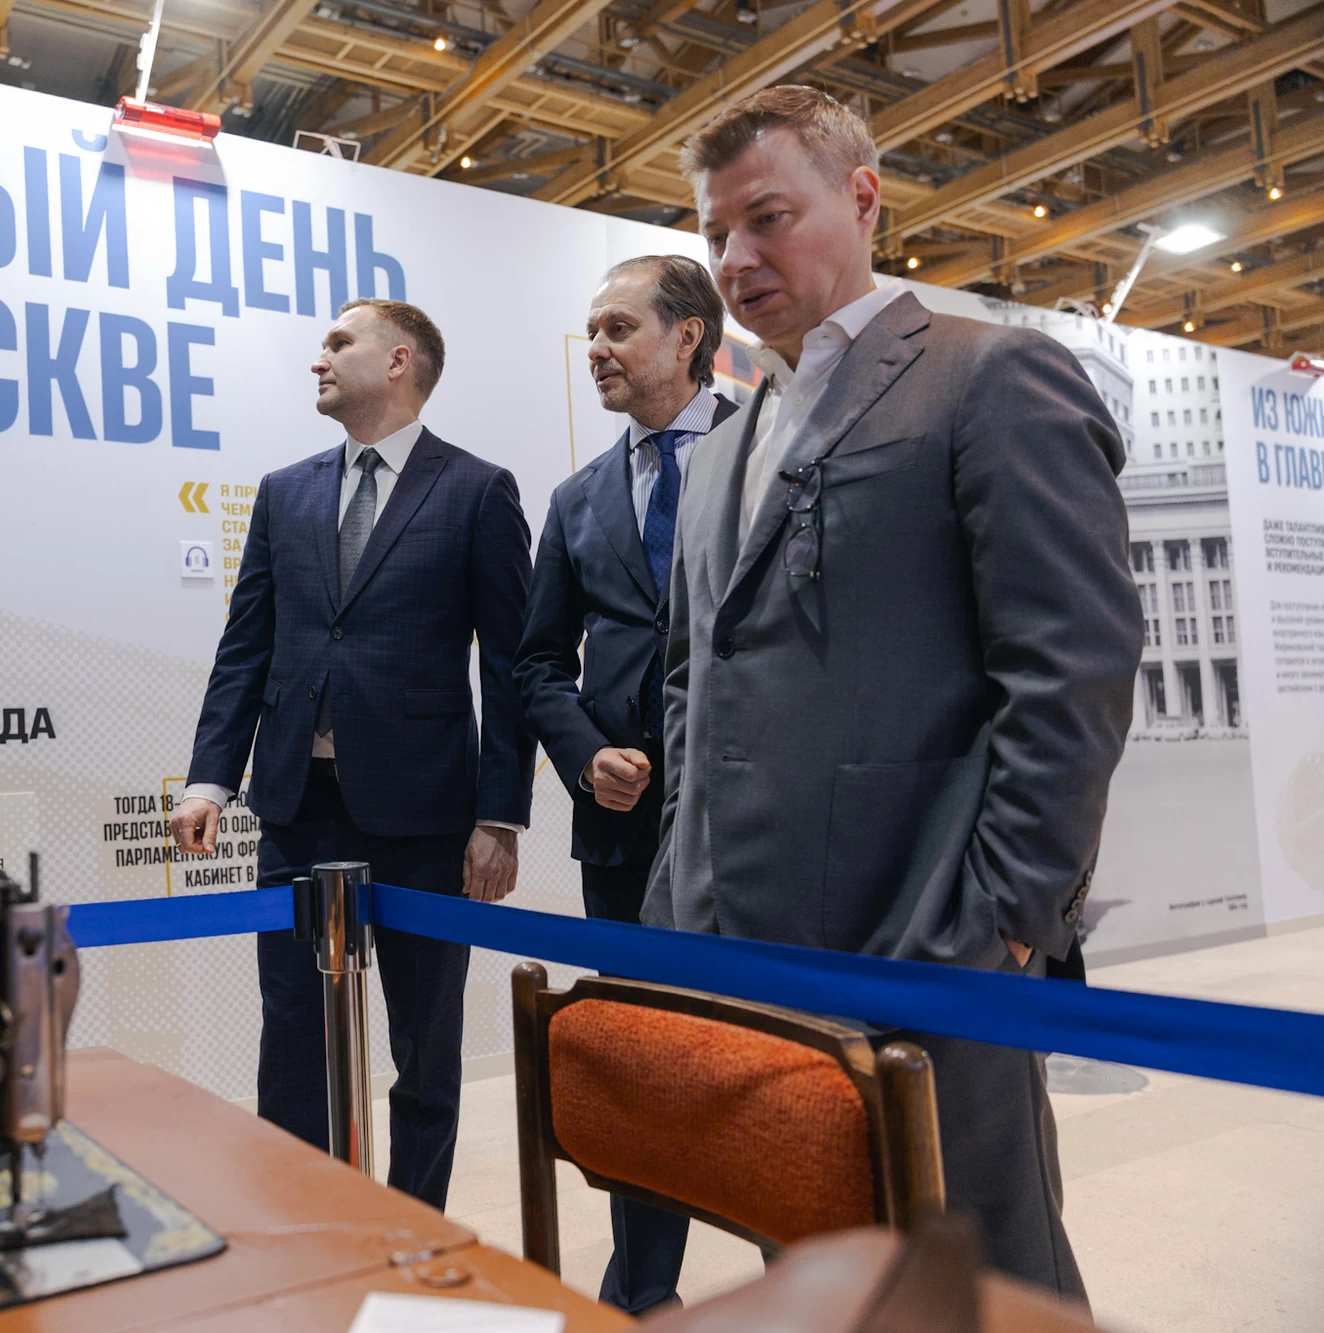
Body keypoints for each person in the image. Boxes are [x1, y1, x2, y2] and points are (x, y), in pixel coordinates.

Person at [644, 86, 1142, 1300]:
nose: (735, 257)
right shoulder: (719, 449)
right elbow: (691, 678)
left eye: (767, 217)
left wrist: (999, 923)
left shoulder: (988, 378)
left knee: (977, 1281)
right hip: (743, 954)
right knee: (813, 1269)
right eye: (715, 233)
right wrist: (684, 886)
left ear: (861, 199)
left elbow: (1069, 670)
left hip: (925, 944)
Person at [168, 298, 535, 1209]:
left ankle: (412, 1229)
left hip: (427, 817)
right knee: (292, 1041)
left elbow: (511, 669)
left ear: (399, 360)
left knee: (425, 1047)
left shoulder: (477, 489)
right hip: (298, 807)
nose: (318, 358)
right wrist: (211, 776)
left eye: (339, 342)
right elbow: (246, 648)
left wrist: (499, 816)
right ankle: (307, 1225)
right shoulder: (284, 491)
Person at [514, 254, 736, 1314]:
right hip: (622, 826)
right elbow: (533, 663)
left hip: (756, 821)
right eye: (591, 331)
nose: (595, 349)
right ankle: (641, 1296)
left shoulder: (774, 447)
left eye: (617, 328)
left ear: (686, 336)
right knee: (643, 1063)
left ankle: (811, 1286)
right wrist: (580, 752)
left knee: (780, 1061)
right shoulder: (575, 499)